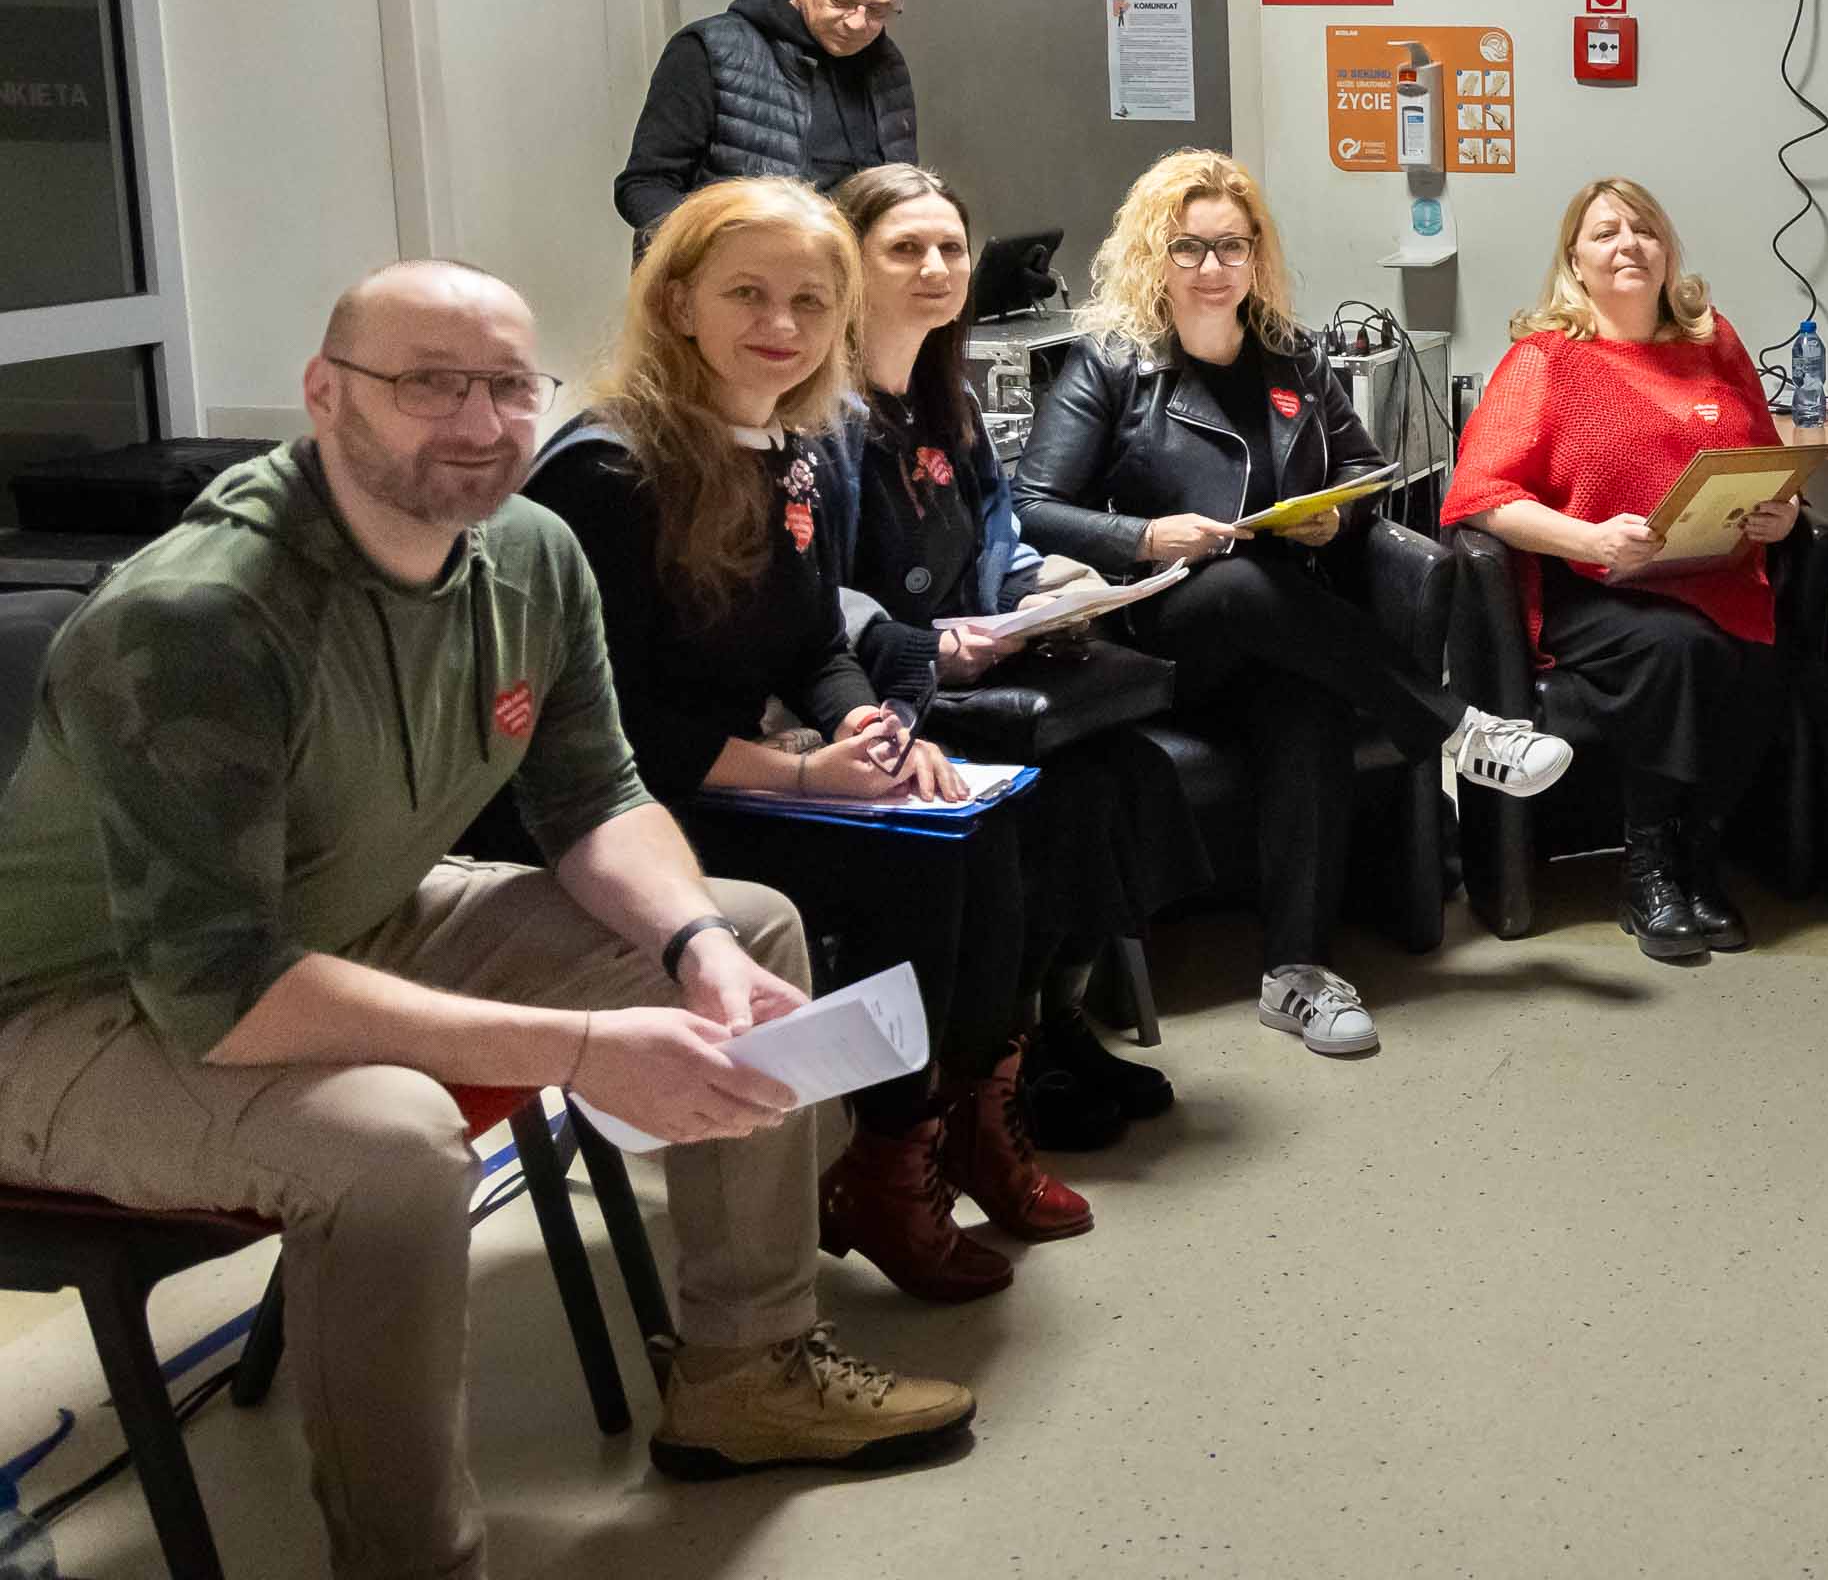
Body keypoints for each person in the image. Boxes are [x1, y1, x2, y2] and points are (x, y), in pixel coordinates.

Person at [0, 260, 972, 1580]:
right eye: (427, 384)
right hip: (78, 1008)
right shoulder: (200, 620)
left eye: (510, 387)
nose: (477, 422)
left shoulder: (527, 551)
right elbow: (222, 987)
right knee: (389, 1142)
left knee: (744, 930)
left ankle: (747, 1376)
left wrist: (687, 946)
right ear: (325, 395)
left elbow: (595, 797)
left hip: (345, 916)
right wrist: (578, 1048)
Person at [525, 177, 1079, 1304]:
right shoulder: (607, 472)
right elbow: (602, 725)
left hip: (727, 771)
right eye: (747, 294)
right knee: (909, 869)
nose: (781, 325)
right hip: (617, 809)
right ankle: (884, 1163)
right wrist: (801, 774)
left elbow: (816, 638)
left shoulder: (793, 448)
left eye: (811, 302)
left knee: (979, 829)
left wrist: (866, 725)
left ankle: (961, 1126)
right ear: (678, 302)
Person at [1017, 148, 1571, 1050]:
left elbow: (1361, 467)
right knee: (1237, 582)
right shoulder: (1110, 366)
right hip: (1158, 632)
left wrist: (1334, 520)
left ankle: (1296, 973)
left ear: (1256, 253)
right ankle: (1456, 728)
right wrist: (1147, 536)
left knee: (1306, 705)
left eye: (1231, 246)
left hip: (1287, 633)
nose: (1212, 267)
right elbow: (1032, 507)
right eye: (1188, 247)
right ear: (1155, 254)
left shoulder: (1292, 355)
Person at [824, 164, 1199, 1146]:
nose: (937, 267)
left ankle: (1053, 1029)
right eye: (905, 249)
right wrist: (929, 646)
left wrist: (1047, 593)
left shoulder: (945, 398)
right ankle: (1001, 1063)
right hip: (885, 696)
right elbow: (807, 599)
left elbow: (1000, 539)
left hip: (983, 661)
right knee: (1050, 801)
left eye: (951, 248)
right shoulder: (818, 415)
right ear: (847, 263)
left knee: (1120, 776)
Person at [1443, 176, 1800, 963]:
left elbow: (1767, 461)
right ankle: (1650, 872)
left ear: (1668, 251)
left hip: (1714, 574)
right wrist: (1590, 539)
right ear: (1575, 258)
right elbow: (1480, 499)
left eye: (1645, 230)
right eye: (1605, 233)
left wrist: (1784, 510)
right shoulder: (1544, 359)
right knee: (1678, 649)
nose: (1628, 245)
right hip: (1590, 585)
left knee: (1758, 646)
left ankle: (1700, 856)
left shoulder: (1714, 342)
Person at [615, 0, 919, 238]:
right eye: (840, 0)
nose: (857, 23)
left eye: (879, 9)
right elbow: (644, 187)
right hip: (735, 264)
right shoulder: (709, 51)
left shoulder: (887, 65)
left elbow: (899, 197)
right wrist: (719, 250)